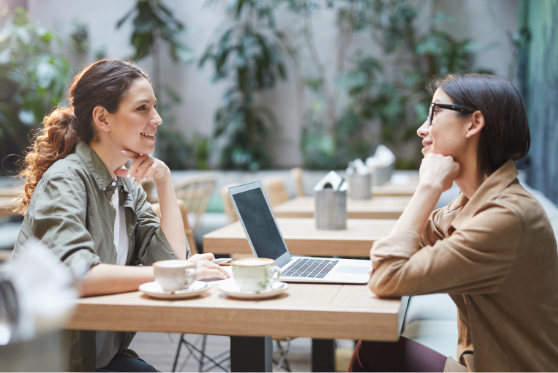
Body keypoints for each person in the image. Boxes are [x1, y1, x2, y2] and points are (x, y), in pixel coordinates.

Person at [13, 58, 230, 372]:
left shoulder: (124, 185)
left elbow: (170, 259)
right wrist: (182, 273)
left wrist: (165, 181)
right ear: (103, 118)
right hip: (51, 362)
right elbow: (79, 275)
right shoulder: (66, 180)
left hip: (99, 357)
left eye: (154, 107)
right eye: (142, 108)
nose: (157, 119)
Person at [349, 74, 558, 371]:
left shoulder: (506, 217)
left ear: (473, 123)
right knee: (374, 349)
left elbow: (386, 275)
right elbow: (404, 250)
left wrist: (429, 187)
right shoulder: (476, 203)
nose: (423, 129)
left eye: (435, 113)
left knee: (375, 351)